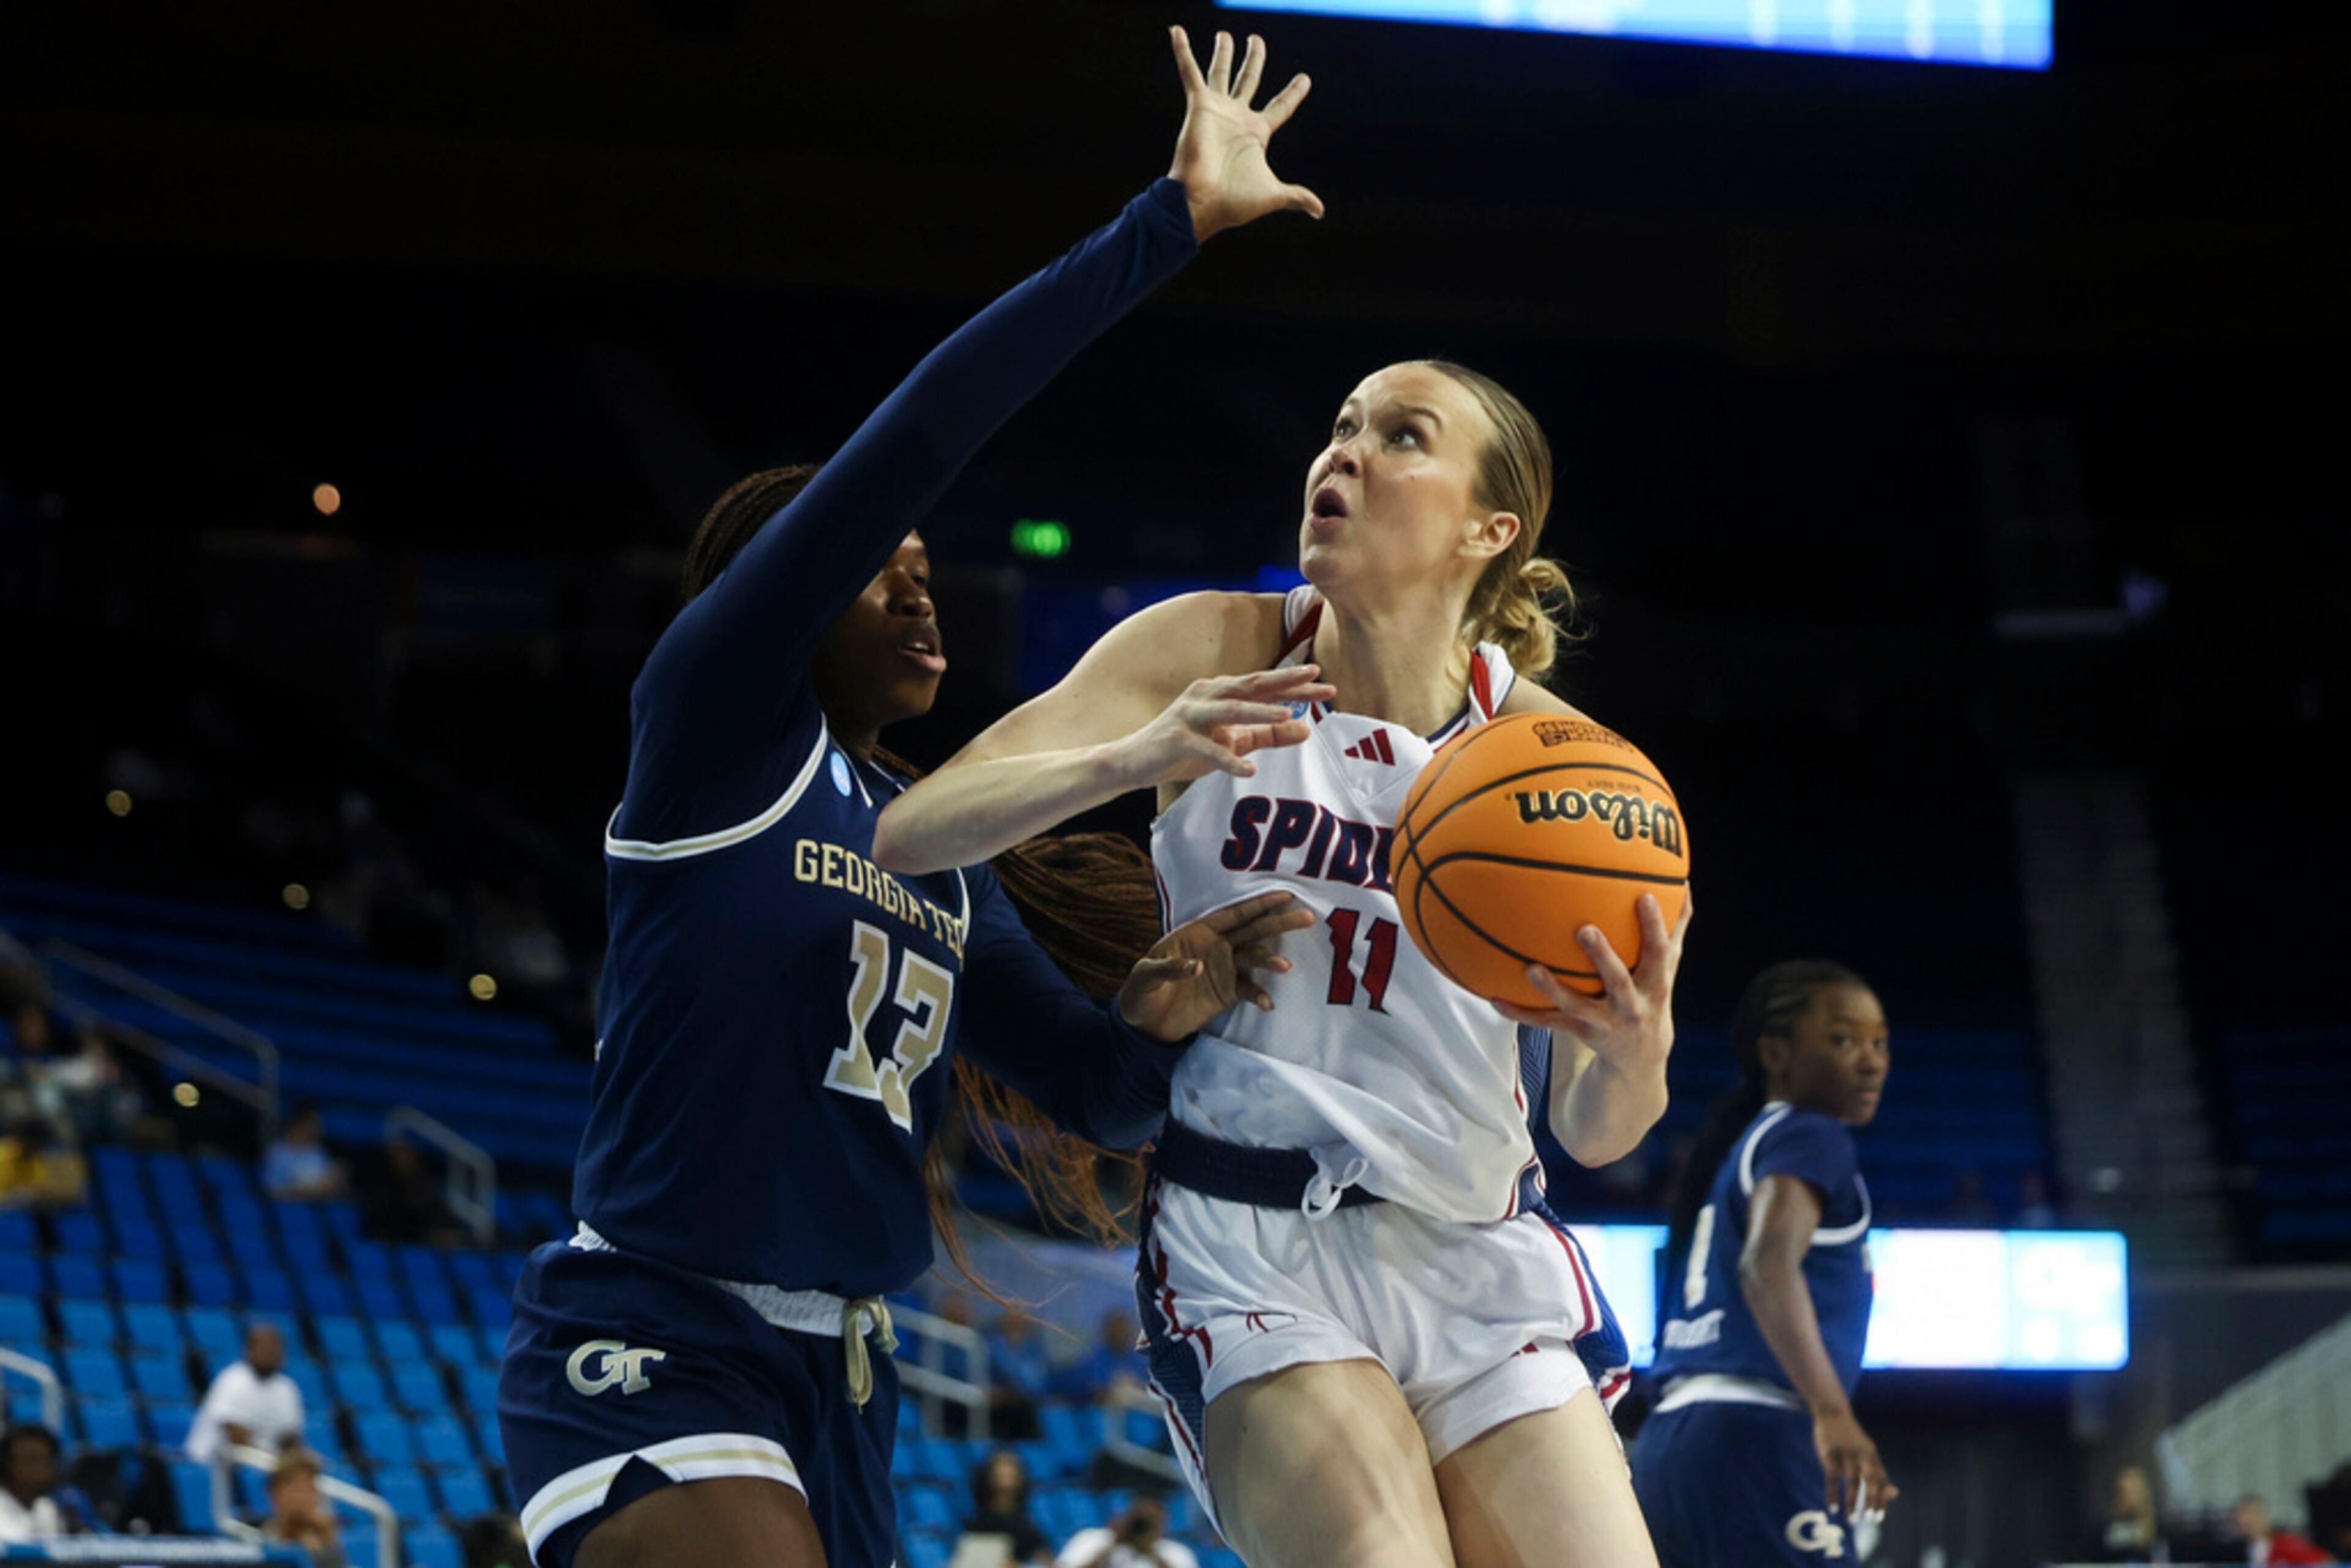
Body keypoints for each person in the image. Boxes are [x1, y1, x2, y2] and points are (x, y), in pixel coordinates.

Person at [494, 30, 1325, 1568]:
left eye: (931, 574)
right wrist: (1165, 227)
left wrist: (1154, 1017)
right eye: (889, 570)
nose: (922, 590)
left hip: (850, 1373)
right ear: (785, 595)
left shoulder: (944, 854)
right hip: (654, 1334)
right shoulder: (711, 737)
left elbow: (1095, 1096)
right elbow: (921, 431)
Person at [874, 368, 1682, 1556]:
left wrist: (1636, 1047)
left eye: (1401, 436)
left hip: (1469, 1247)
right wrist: (1138, 751)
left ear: (1488, 529)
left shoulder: (1564, 770)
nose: (1343, 454)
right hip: (1255, 1242)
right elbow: (911, 831)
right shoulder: (1215, 646)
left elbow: (1602, 1127)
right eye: (1342, 427)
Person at [1631, 961, 1894, 1568]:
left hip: (1671, 1442)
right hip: (1756, 1435)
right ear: (1776, 1052)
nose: (1871, 1059)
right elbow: (1767, 1263)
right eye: (1844, 1039)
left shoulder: (1736, 1151)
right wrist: (1834, 1413)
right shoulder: (1811, 1133)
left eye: (1880, 1042)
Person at [185, 1322, 306, 1464]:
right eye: (265, 1348)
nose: (272, 1354)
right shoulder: (233, 1380)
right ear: (249, 1350)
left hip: (265, 1465)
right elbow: (237, 1438)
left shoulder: (287, 1388)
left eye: (276, 1348)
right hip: (215, 1465)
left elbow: (291, 1438)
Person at [952, 1450, 1053, 1568]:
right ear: (989, 1477)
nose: (1007, 1477)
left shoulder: (1027, 1526)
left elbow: (1046, 1559)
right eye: (1002, 1472)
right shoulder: (980, 1525)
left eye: (1011, 1472)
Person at [1057, 1496, 1198, 1568]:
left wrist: (1152, 1553)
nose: (1144, 1529)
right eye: (1140, 1523)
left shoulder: (1175, 1552)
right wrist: (1111, 1547)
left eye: (1152, 1523)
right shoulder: (1093, 1539)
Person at [263, 1447, 347, 1568]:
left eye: (308, 1490)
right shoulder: (261, 1541)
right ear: (274, 1494)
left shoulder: (327, 1538)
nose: (302, 1498)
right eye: (295, 1490)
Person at [262, 1103, 347, 1201]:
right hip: (287, 1210)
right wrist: (308, 1190)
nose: (319, 1129)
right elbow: (272, 1191)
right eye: (314, 1123)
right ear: (301, 1123)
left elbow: (331, 1188)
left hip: (317, 1208)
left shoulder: (318, 1153)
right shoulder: (278, 1152)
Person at [0, 1424, 66, 1544]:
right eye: (33, 1460)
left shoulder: (47, 1509)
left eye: (48, 1461)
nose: (43, 1469)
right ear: (6, 1466)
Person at [2096, 1466, 2169, 1563]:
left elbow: (2162, 1560)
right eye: (2122, 1492)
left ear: (2143, 1493)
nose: (2126, 1497)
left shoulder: (2160, 1527)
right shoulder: (2107, 1528)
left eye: (2132, 1491)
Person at [2237, 1495, 2335, 1566]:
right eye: (2245, 1523)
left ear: (2265, 1516)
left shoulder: (2287, 1543)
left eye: (2255, 1516)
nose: (2247, 1520)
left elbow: (2327, 1562)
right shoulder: (2245, 1548)